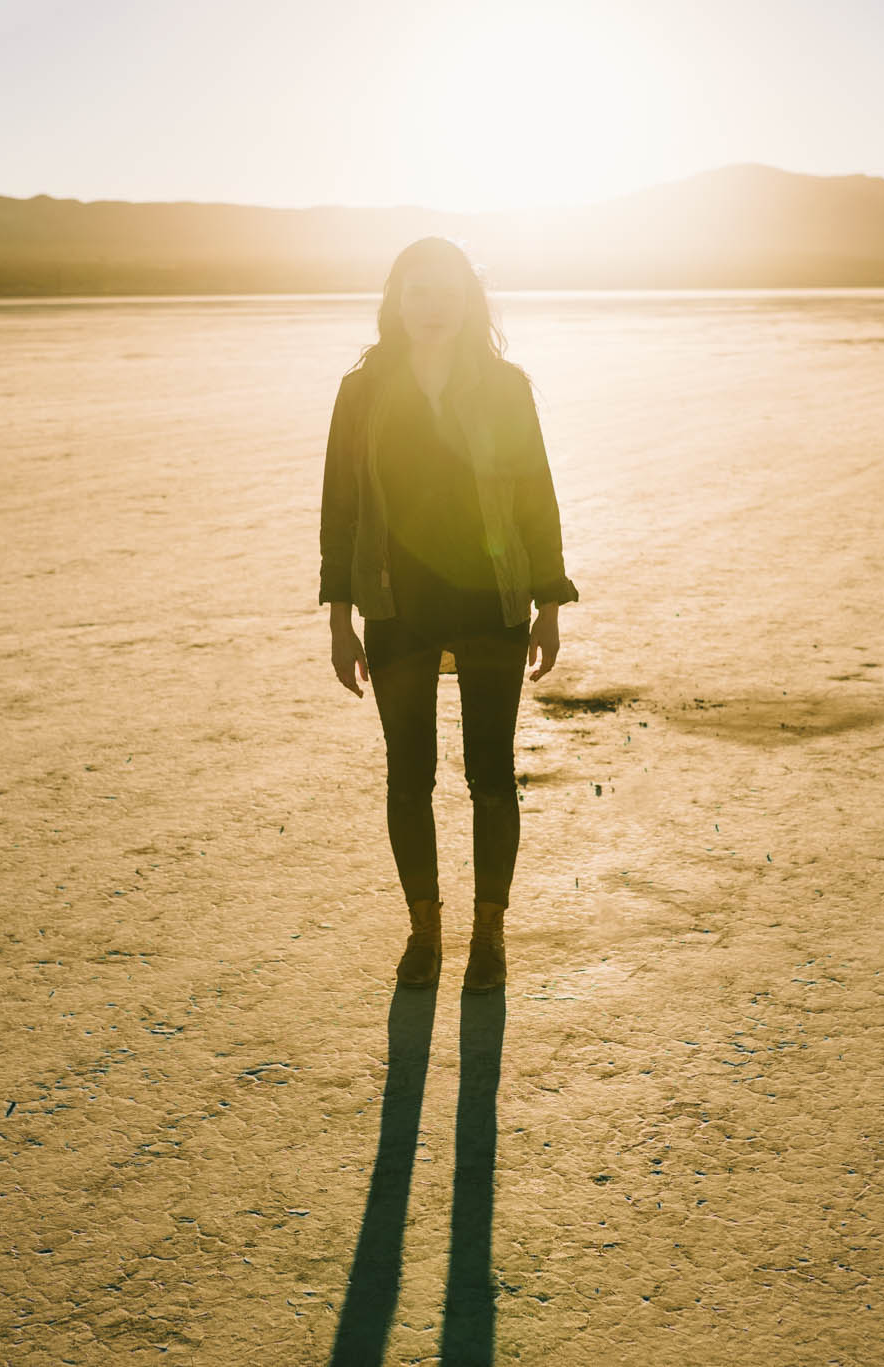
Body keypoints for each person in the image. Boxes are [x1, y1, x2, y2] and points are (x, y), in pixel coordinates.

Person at [318, 235, 580, 993]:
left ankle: (489, 935)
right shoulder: (361, 393)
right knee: (410, 777)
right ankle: (424, 930)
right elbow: (339, 508)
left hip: (490, 604)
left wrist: (550, 599)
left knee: (492, 777)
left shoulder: (504, 387)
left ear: (470, 303)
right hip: (398, 609)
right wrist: (340, 617)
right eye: (418, 291)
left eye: (448, 291)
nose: (433, 307)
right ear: (396, 302)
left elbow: (536, 496)